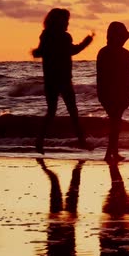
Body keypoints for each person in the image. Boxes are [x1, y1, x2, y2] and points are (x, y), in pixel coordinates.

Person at [32, 8, 94, 154]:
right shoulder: (65, 37)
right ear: (59, 21)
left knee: (51, 112)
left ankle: (39, 141)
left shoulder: (46, 35)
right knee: (73, 112)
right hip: (64, 79)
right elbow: (74, 50)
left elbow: (40, 51)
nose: (67, 23)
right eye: (66, 21)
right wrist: (87, 41)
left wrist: (37, 52)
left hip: (50, 80)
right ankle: (82, 142)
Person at [96, 22, 129, 163]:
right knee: (115, 123)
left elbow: (128, 77)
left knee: (115, 123)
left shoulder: (104, 52)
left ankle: (112, 152)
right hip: (114, 94)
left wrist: (101, 94)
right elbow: (102, 76)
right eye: (122, 38)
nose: (123, 41)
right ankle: (110, 153)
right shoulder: (119, 53)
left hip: (113, 94)